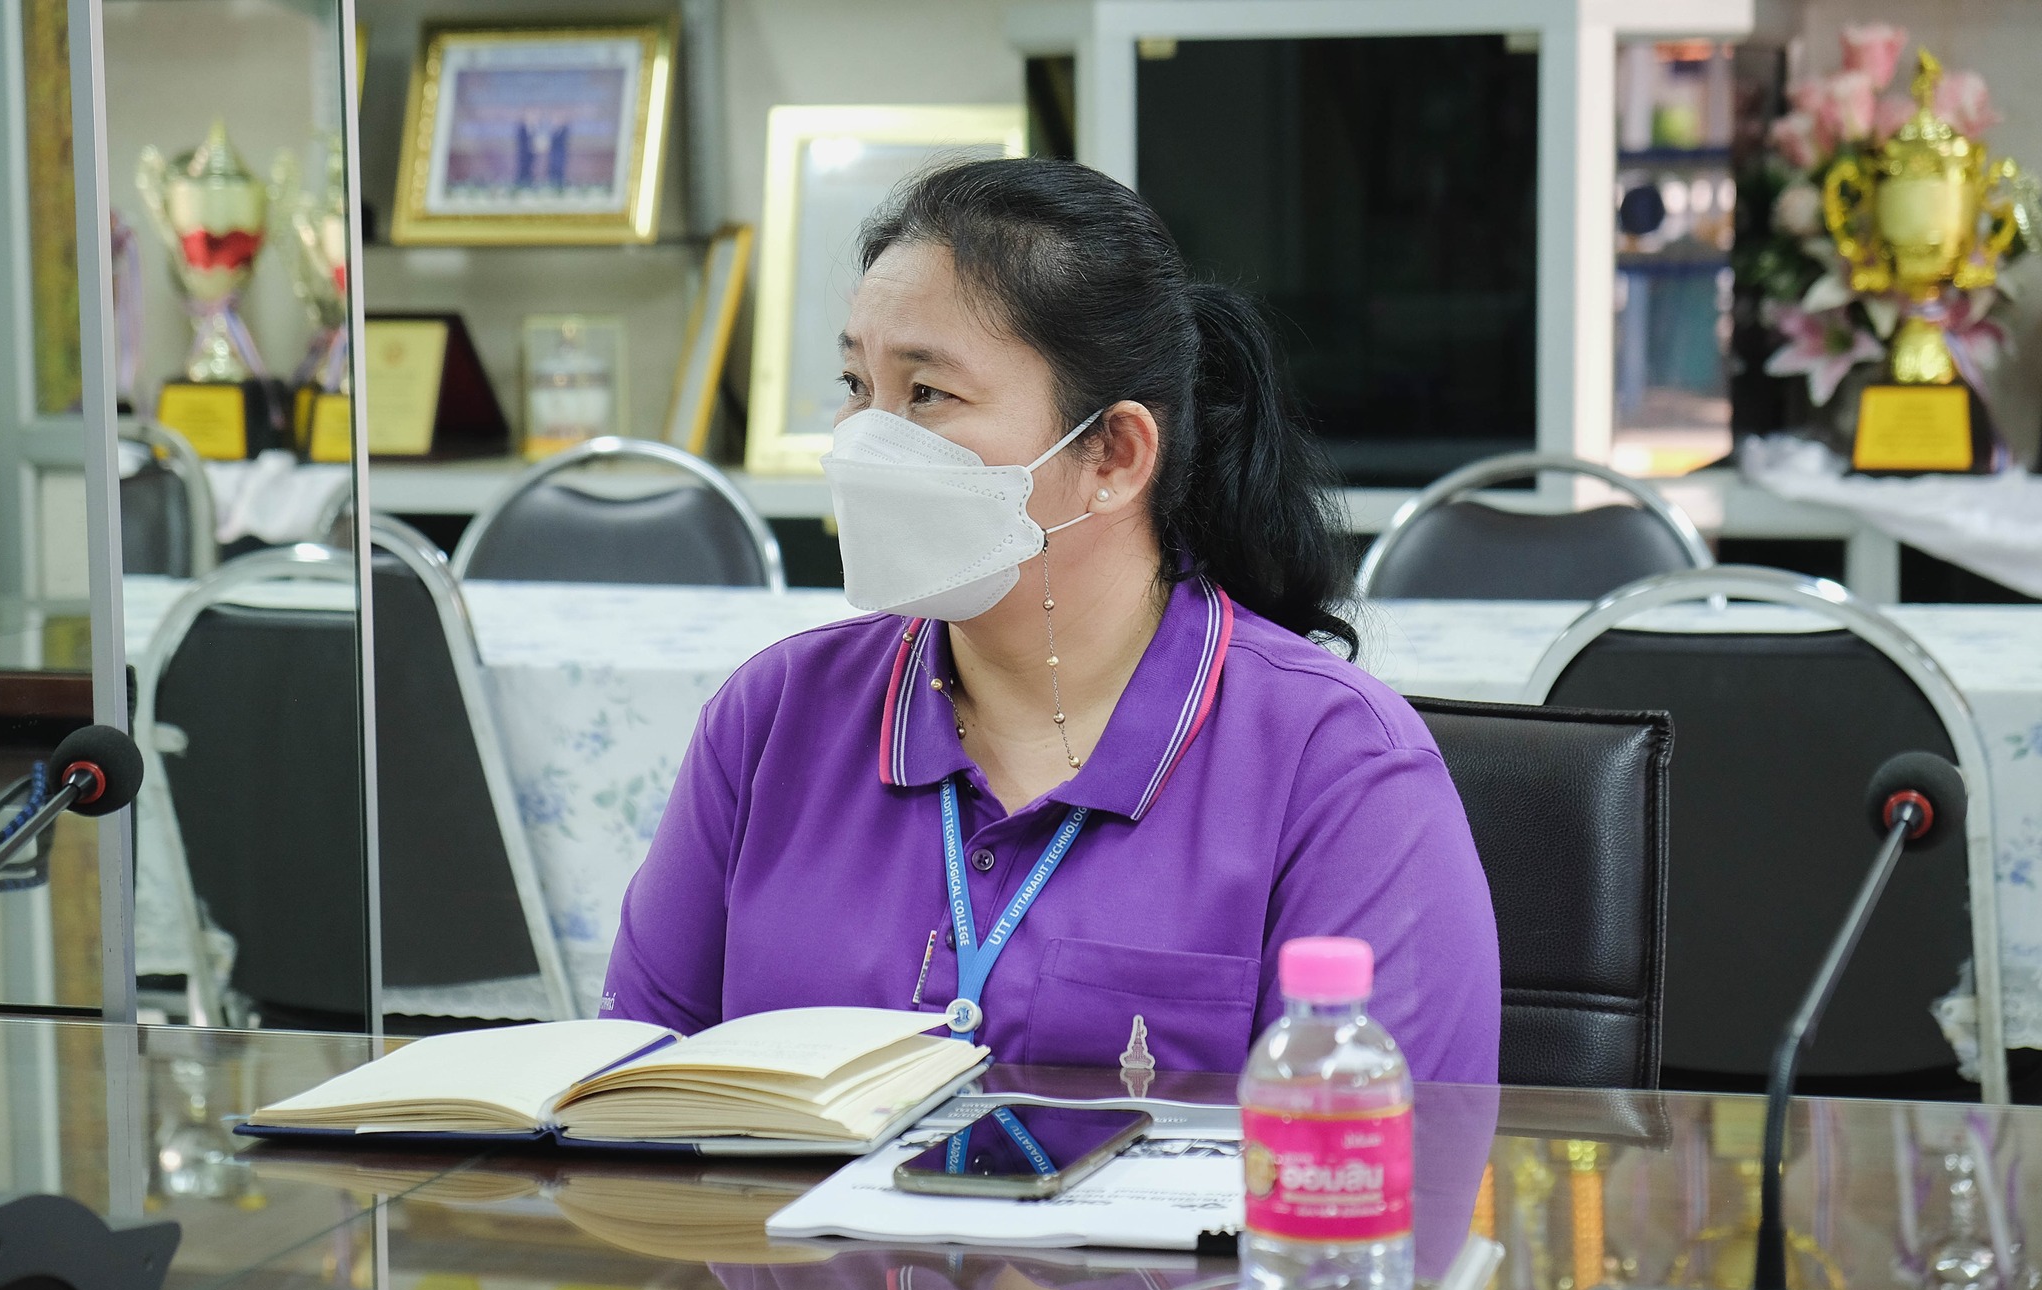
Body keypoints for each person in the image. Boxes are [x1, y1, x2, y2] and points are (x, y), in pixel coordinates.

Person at [601, 157, 1499, 1082]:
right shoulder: (772, 718)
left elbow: (1384, 1180)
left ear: (1112, 452)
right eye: (857, 385)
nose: (862, 441)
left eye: (926, 394)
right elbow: (630, 1101)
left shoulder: (1339, 766)